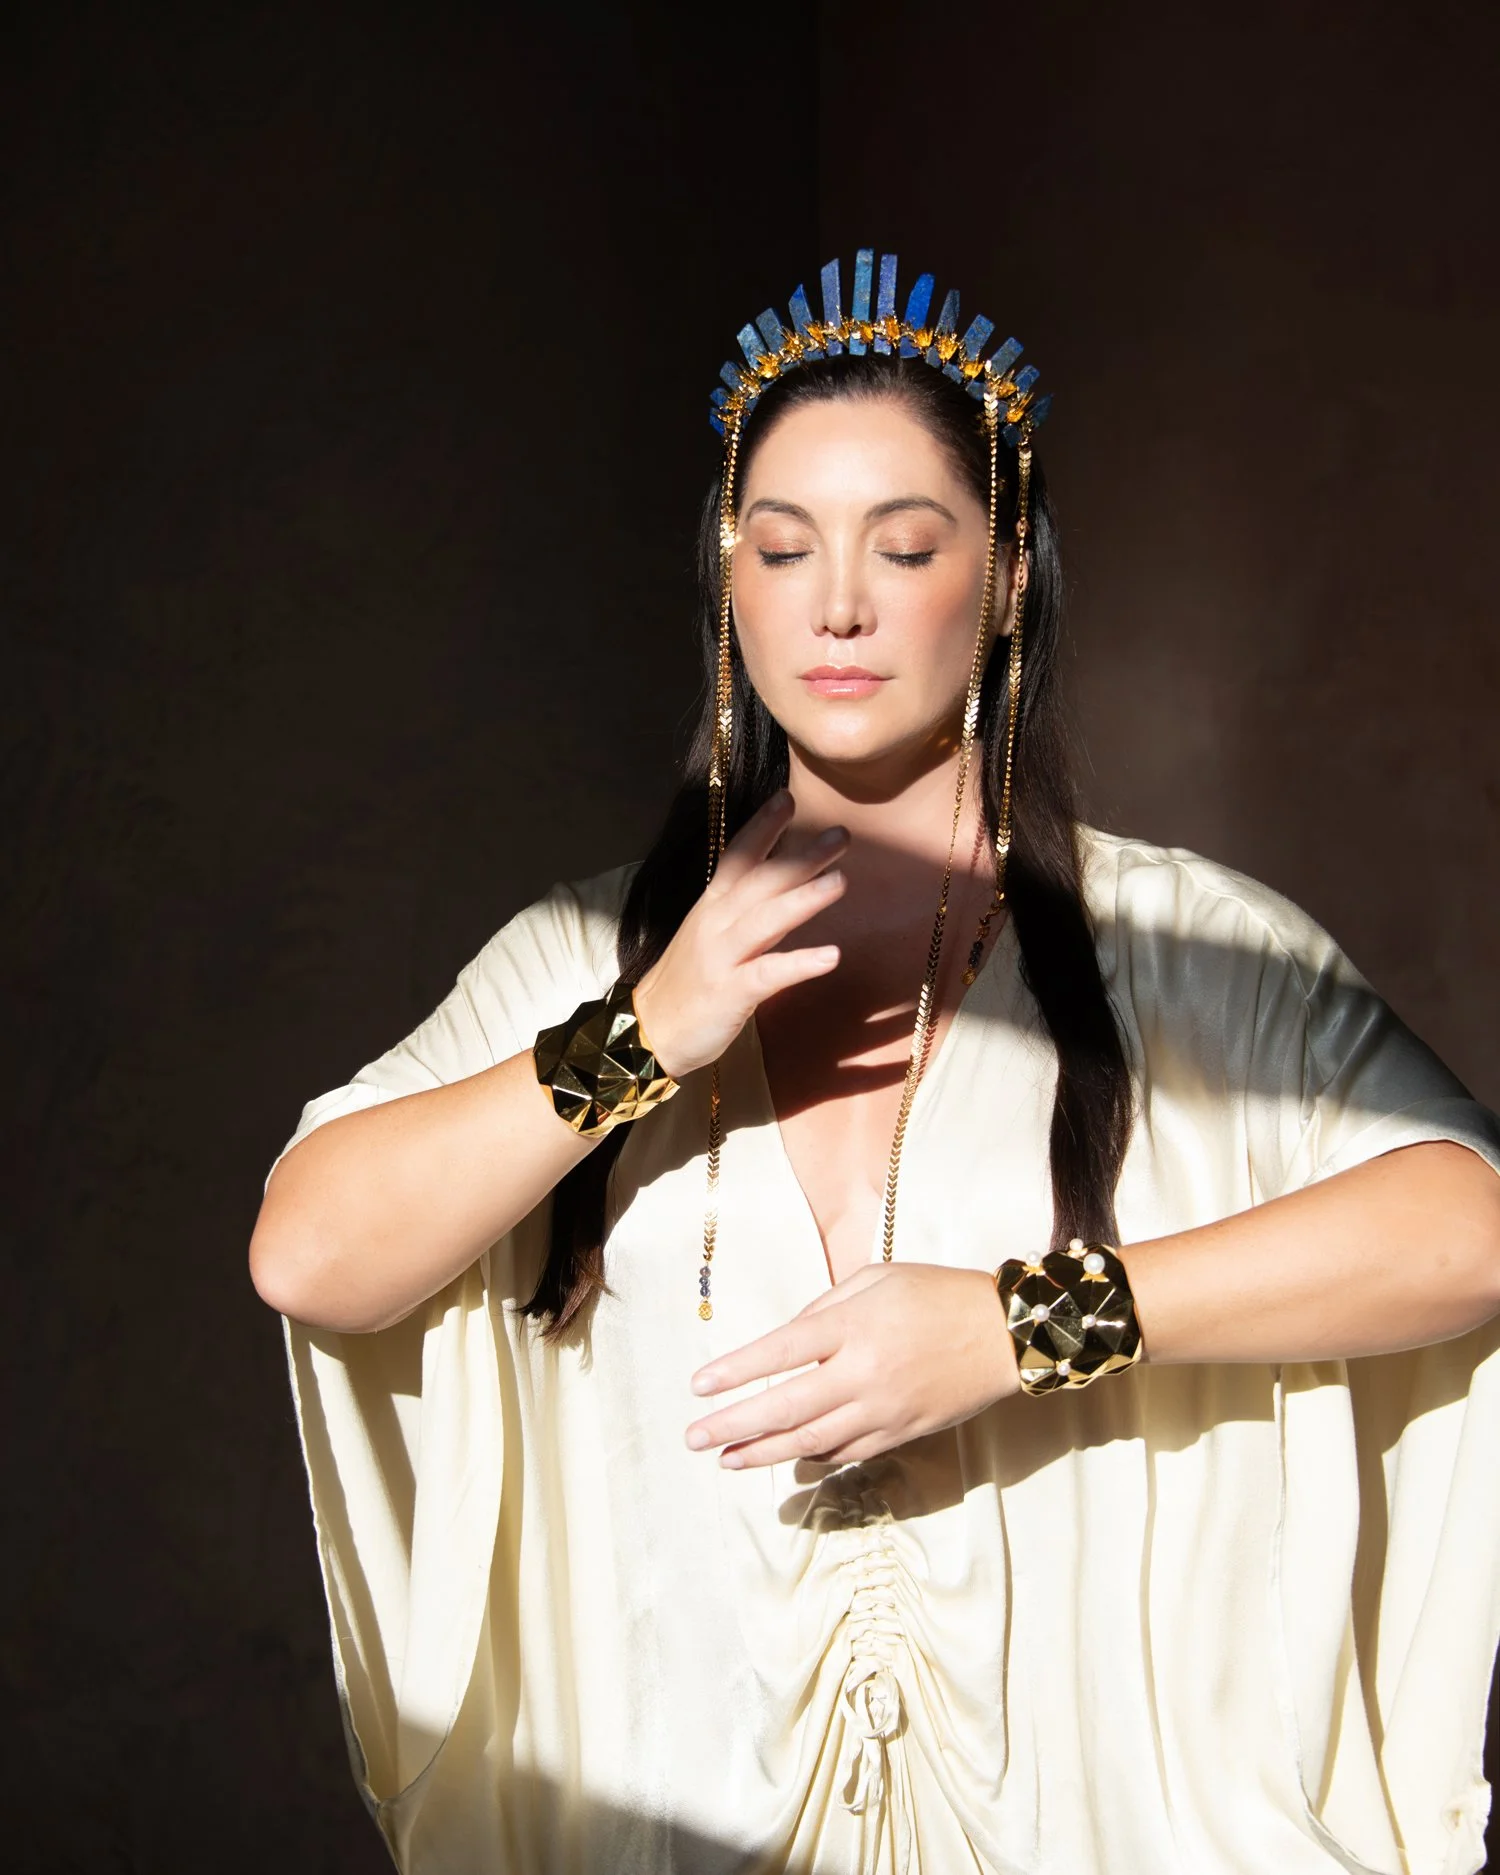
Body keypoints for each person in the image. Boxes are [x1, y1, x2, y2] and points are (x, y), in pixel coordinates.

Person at [249, 250, 1500, 1875]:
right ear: (731, 588)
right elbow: (312, 1253)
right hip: (696, 1818)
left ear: (1000, 581)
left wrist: (1021, 1325)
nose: (836, 600)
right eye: (783, 547)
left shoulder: (1181, 947)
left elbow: (1464, 1220)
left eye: (905, 546)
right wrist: (642, 1037)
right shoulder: (594, 952)